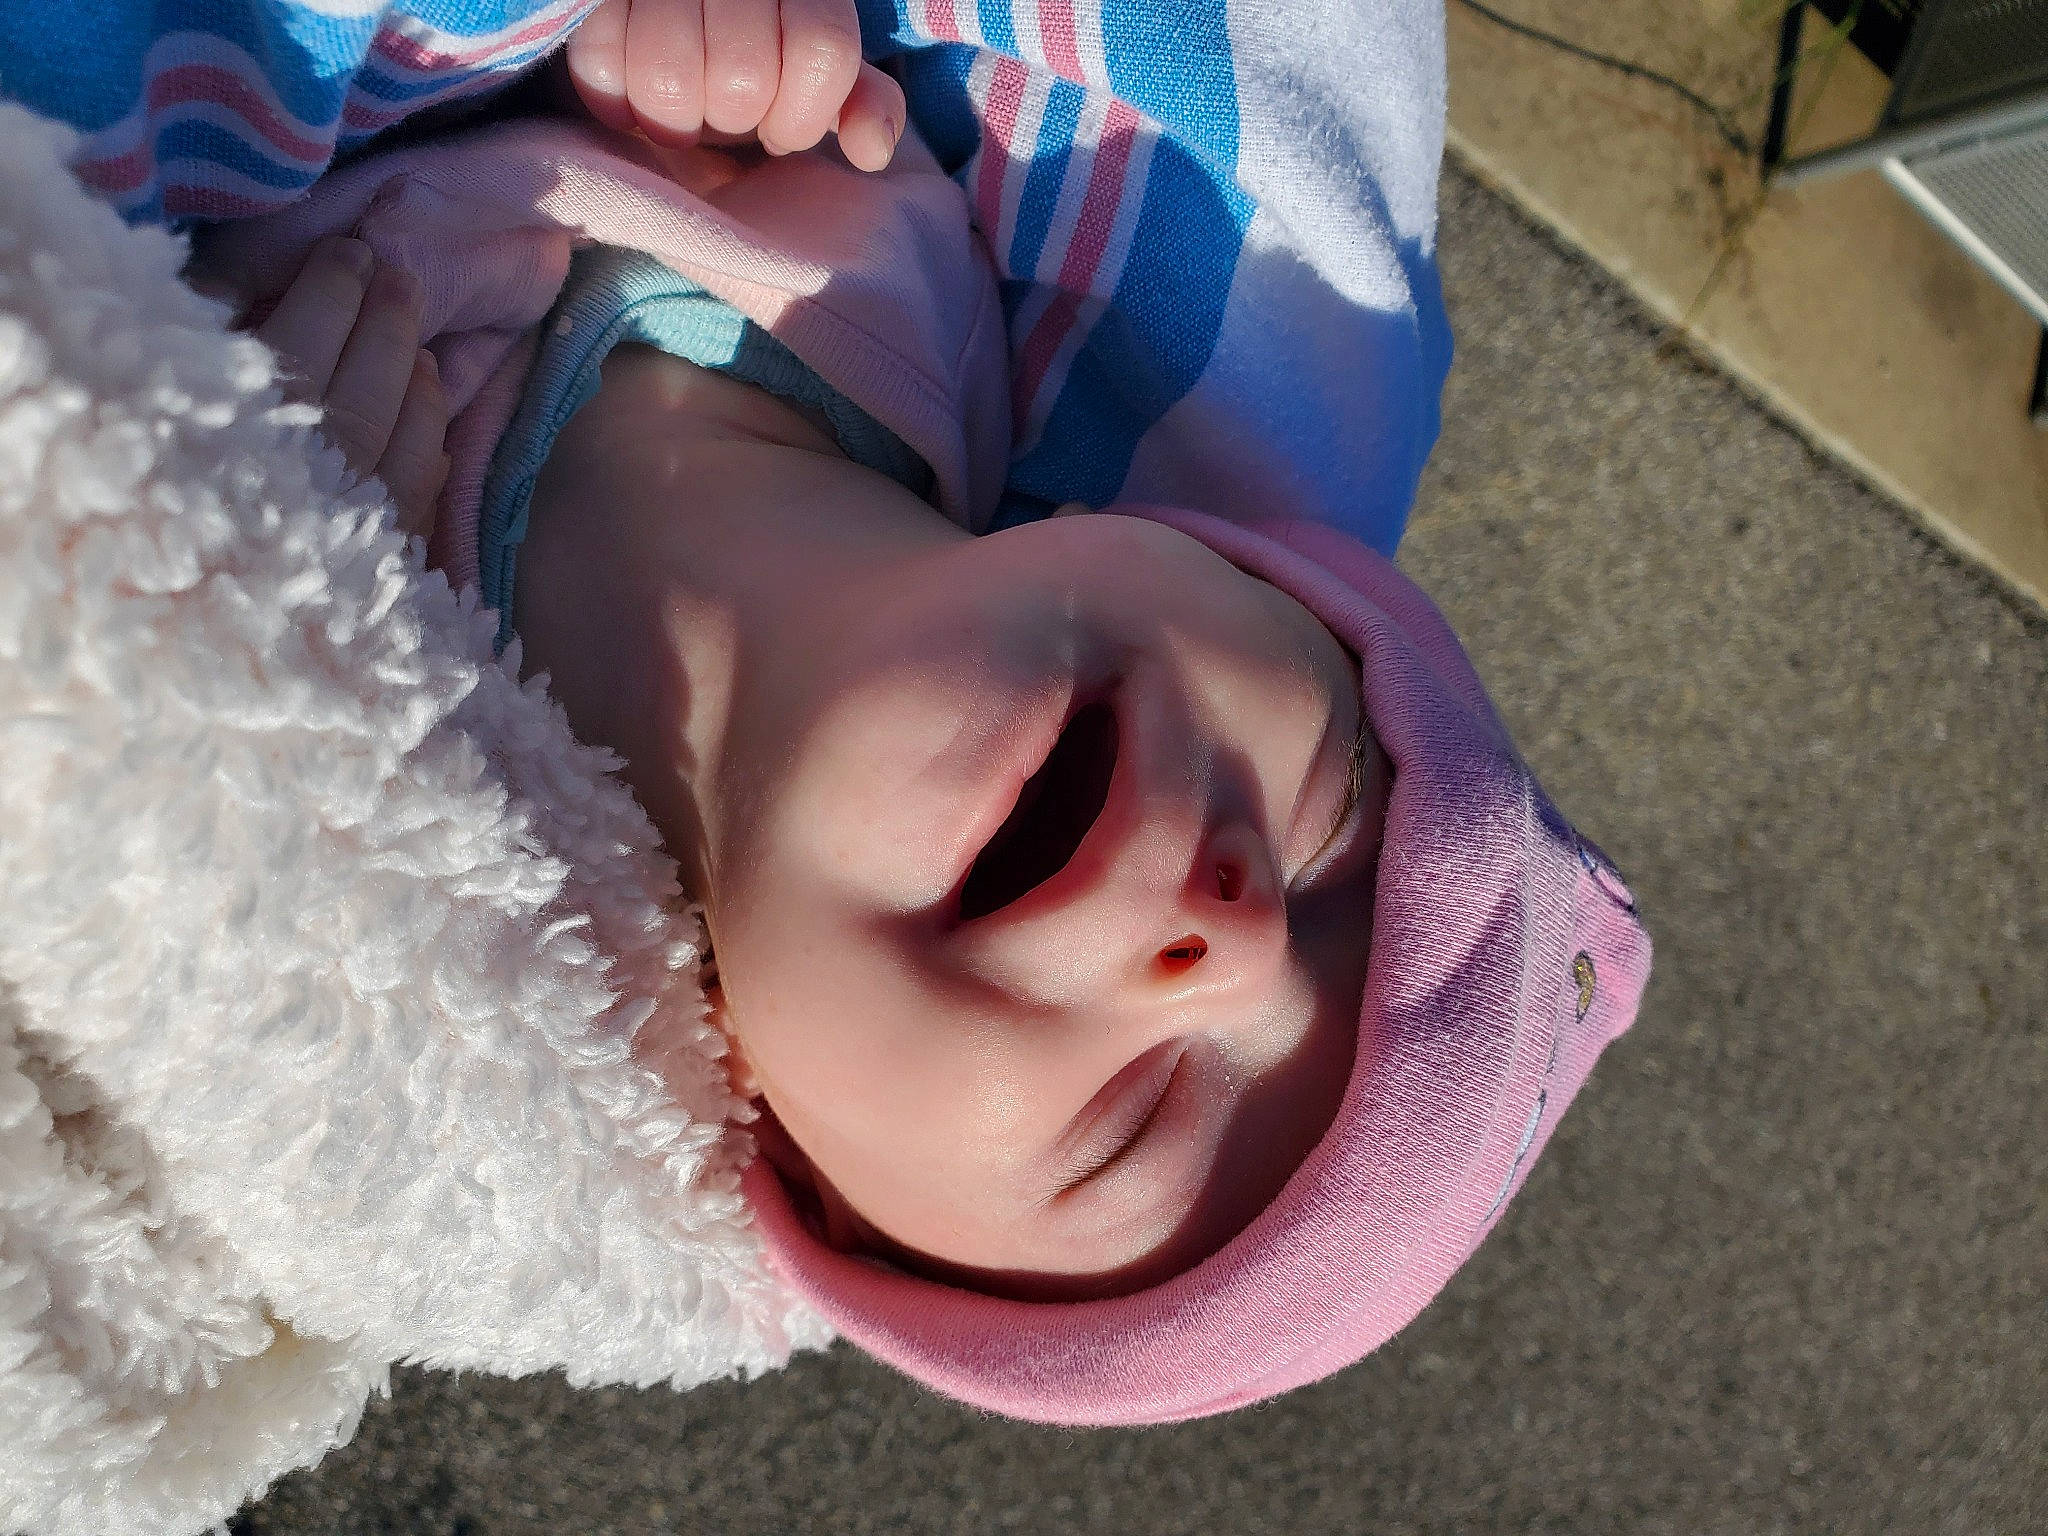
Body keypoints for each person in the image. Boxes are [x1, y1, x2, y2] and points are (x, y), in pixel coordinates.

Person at [6, 0, 1648, 1422]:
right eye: (1344, 807)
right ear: (1209, 556)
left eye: (1136, 1123)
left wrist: (209, 548)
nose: (1234, 943)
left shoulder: (429, 873)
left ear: (825, 1195)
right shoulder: (893, 238)